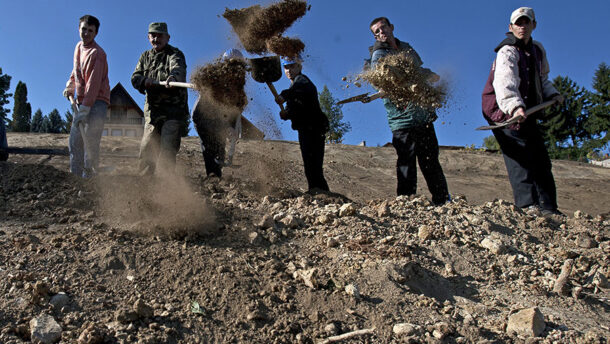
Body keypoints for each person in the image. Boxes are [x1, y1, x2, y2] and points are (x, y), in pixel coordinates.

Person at [482, 7, 564, 217]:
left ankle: (549, 208)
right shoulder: (507, 51)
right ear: (510, 27)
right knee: (519, 157)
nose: (522, 26)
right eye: (518, 23)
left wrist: (553, 94)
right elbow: (504, 82)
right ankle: (528, 206)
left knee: (540, 158)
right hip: (502, 109)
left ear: (534, 25)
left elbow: (542, 79)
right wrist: (514, 107)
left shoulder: (537, 50)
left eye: (526, 22)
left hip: (527, 111)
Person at [368, 17, 450, 205]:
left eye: (383, 28)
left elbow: (418, 70)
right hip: (401, 118)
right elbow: (377, 78)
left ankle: (443, 200)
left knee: (430, 160)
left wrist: (429, 75)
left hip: (422, 114)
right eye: (377, 32)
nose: (381, 33)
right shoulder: (378, 54)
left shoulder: (407, 48)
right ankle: (406, 201)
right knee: (406, 161)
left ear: (391, 27)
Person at [131, 22, 189, 176]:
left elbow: (178, 70)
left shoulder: (175, 54)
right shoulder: (145, 57)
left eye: (160, 35)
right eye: (153, 35)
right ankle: (144, 185)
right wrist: (145, 81)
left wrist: (173, 77)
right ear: (148, 37)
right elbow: (135, 78)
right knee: (147, 147)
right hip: (153, 111)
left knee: (167, 148)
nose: (156, 38)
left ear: (167, 37)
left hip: (173, 111)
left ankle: (166, 187)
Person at [63, 14, 110, 178]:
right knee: (75, 141)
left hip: (97, 102)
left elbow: (93, 85)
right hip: (82, 101)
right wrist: (70, 87)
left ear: (96, 33)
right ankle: (75, 179)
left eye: (90, 31)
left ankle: (90, 180)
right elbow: (76, 71)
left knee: (90, 140)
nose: (86, 33)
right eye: (84, 29)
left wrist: (84, 111)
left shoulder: (97, 54)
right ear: (78, 29)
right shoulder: (78, 47)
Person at [275, 57, 330, 193]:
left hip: (314, 128)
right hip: (305, 129)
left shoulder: (302, 81)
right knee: (309, 164)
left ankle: (321, 192)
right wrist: (286, 114)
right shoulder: (293, 86)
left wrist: (283, 95)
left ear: (299, 67)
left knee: (314, 164)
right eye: (286, 67)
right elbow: (296, 107)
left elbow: (299, 91)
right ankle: (316, 190)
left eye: (292, 67)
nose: (289, 70)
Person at [192, 49, 245, 178]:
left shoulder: (238, 85)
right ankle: (212, 175)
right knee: (210, 144)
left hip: (222, 119)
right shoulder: (213, 78)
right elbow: (208, 111)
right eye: (231, 66)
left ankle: (216, 175)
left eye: (238, 66)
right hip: (203, 115)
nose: (234, 70)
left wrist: (232, 126)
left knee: (219, 146)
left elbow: (235, 109)